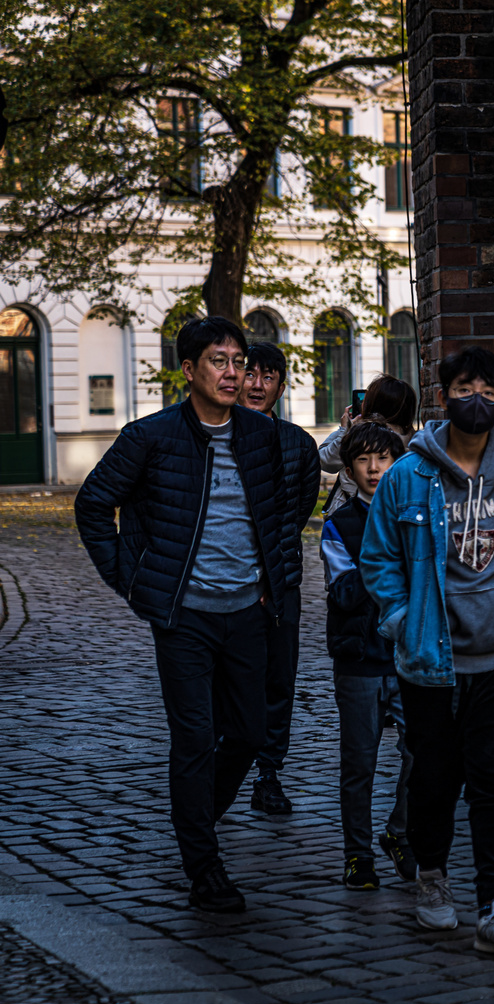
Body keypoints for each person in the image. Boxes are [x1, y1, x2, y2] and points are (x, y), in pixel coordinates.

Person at [76, 316, 287, 913]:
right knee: (195, 737)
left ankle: (193, 815)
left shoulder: (259, 434)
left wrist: (274, 578)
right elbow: (94, 504)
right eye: (218, 361)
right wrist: (132, 579)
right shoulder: (151, 437)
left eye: (238, 361)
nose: (232, 372)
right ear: (189, 370)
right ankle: (203, 864)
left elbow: (277, 510)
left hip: (247, 609)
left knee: (248, 734)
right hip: (185, 617)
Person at [359, 347, 494, 954]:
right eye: (465, 387)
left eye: (490, 391)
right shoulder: (407, 475)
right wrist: (400, 620)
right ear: (444, 395)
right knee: (435, 779)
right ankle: (432, 878)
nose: (478, 399)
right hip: (431, 661)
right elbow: (378, 559)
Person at [324, 421, 416, 890]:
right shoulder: (339, 525)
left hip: (409, 657)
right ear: (350, 468)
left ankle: (399, 832)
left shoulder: (415, 519)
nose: (375, 468)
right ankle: (357, 854)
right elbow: (343, 593)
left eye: (384, 458)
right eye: (364, 459)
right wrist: (383, 556)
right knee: (358, 763)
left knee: (421, 752)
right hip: (359, 658)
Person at [237, 342, 321, 817]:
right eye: (250, 374)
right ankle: (220, 767)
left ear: (280, 387)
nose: (256, 384)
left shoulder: (298, 445)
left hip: (281, 583)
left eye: (269, 377)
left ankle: (268, 774)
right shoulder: (215, 435)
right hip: (223, 586)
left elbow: (297, 511)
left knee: (278, 682)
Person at [320, 374, 417, 513]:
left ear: (375, 405)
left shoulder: (362, 437)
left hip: (352, 515)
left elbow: (325, 460)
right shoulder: (414, 440)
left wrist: (345, 430)